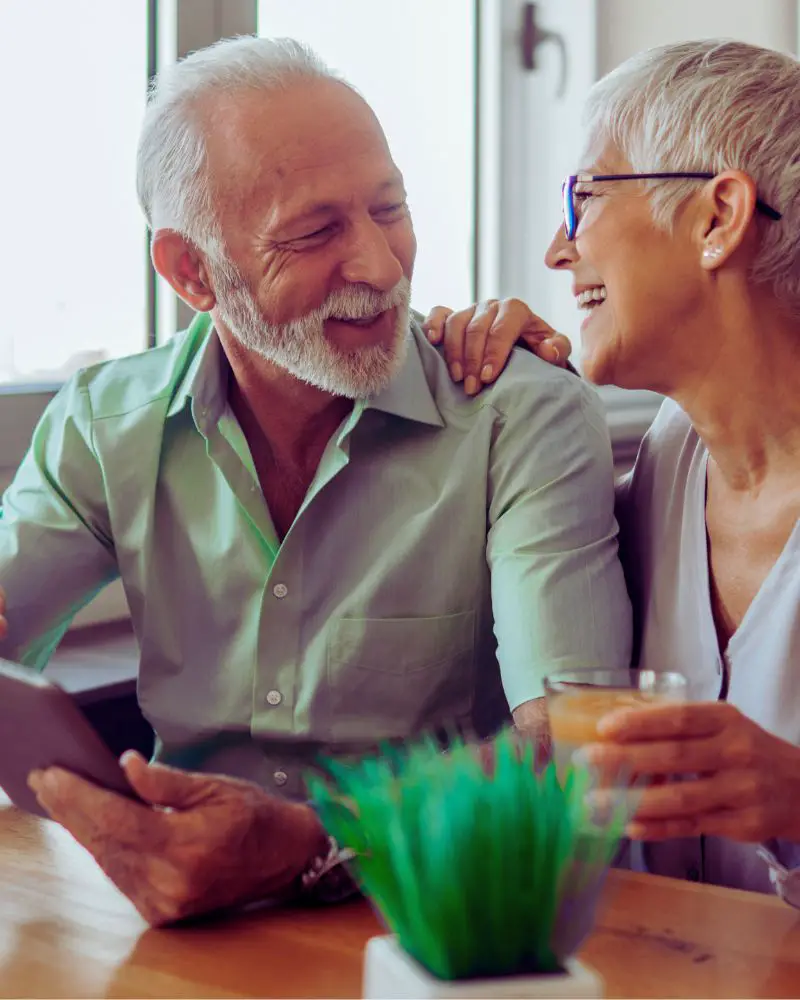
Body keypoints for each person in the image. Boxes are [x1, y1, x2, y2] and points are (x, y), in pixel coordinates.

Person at [0, 36, 630, 924]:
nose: (381, 266)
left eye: (390, 208)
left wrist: (312, 847)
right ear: (192, 273)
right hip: (178, 921)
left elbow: (572, 743)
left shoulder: (519, 416)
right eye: (313, 232)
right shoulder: (106, 427)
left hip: (435, 912)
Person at [424, 39, 800, 904]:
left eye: (582, 198)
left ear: (717, 219)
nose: (558, 251)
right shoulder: (674, 452)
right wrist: (496, 397)